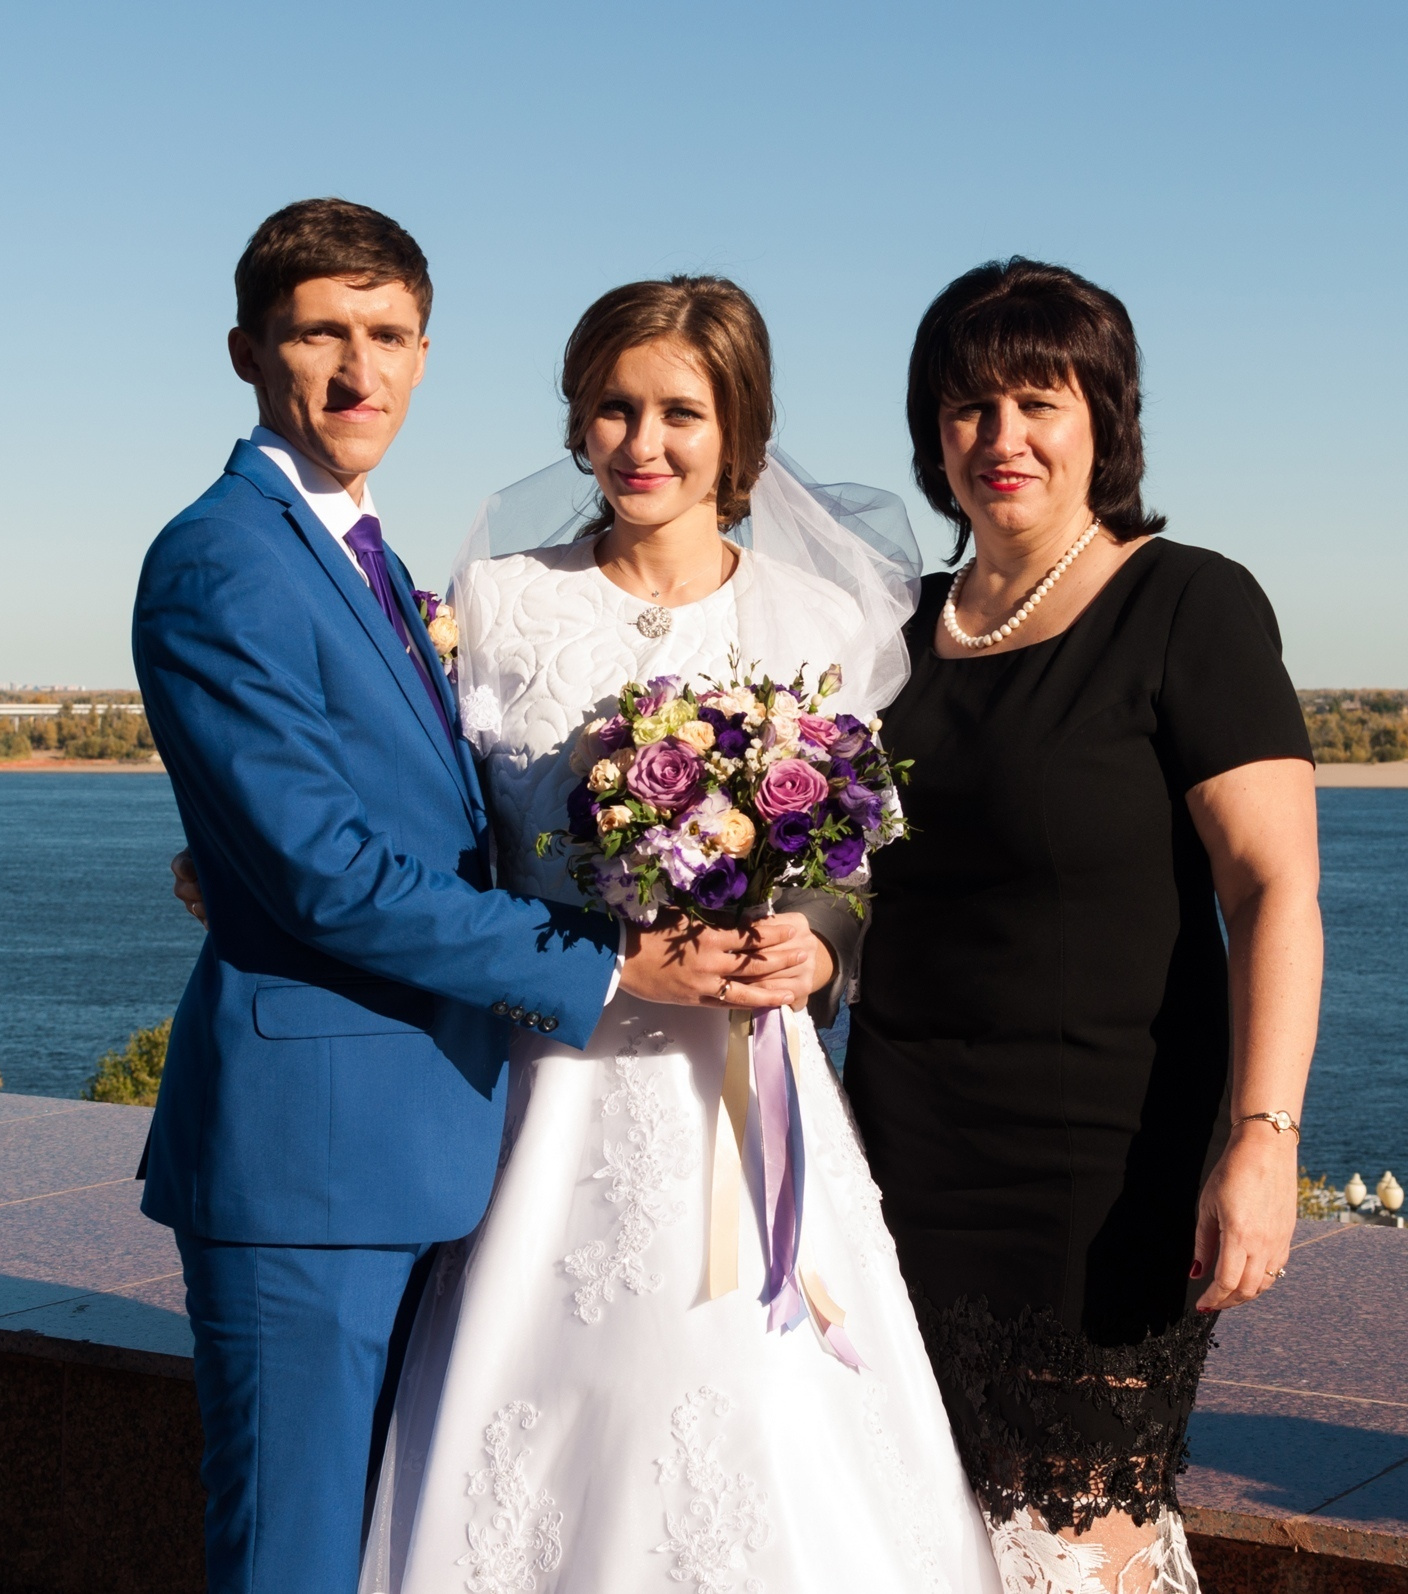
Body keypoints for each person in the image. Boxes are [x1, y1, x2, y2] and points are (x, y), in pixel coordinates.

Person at [132, 201, 815, 1594]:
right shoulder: (223, 556)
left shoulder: (368, 556)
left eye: (386, 335)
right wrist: (613, 960)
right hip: (306, 1166)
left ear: (426, 354)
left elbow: (410, 821)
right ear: (247, 349)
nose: (355, 369)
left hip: (434, 1144)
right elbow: (329, 871)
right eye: (320, 331)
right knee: (295, 1559)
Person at [357, 275, 1002, 1592]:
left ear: (738, 430)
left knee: (776, 1426)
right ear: (579, 423)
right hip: (557, 1093)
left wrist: (814, 945)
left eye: (680, 412)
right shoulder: (502, 607)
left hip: (752, 1100)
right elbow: (429, 831)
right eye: (612, 407)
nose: (643, 443)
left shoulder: (821, 619)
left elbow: (852, 861)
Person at [842, 259, 1323, 1594]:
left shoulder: (1189, 605)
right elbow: (845, 886)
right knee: (914, 1533)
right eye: (968, 406)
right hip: (890, 1157)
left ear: (1105, 417)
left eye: (1038, 399)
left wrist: (1263, 1140)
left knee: (1070, 1545)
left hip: (1098, 1174)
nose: (1002, 438)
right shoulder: (891, 636)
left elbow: (1272, 888)